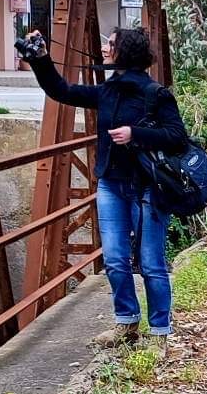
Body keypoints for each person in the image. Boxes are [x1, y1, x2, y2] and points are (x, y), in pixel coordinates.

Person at [23, 26, 192, 348]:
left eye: (110, 44)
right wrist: (41, 60)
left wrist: (136, 134)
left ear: (124, 52)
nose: (104, 48)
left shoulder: (155, 94)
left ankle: (159, 333)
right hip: (111, 185)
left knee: (152, 262)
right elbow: (62, 91)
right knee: (115, 259)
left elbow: (177, 137)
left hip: (148, 189)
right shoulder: (108, 90)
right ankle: (126, 323)